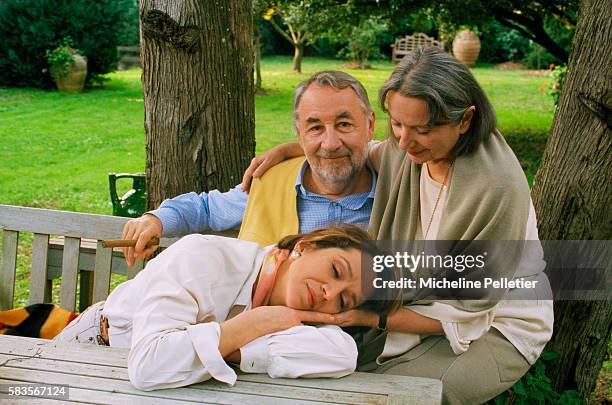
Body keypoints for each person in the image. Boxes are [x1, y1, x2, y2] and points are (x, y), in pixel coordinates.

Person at [241, 47, 553, 404]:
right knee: (332, 374)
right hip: (417, 305)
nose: (404, 142)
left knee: (403, 395)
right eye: (398, 125)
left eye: (421, 128)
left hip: (494, 321)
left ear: (464, 120)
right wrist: (288, 149)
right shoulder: (407, 153)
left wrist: (372, 319)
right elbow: (360, 148)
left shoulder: (494, 188)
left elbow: (472, 309)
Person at [53, 225, 400, 391]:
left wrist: (232, 349)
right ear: (307, 246)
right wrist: (257, 324)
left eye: (343, 300)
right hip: (95, 352)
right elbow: (148, 365)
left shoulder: (300, 315)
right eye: (337, 270)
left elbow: (341, 355)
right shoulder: (203, 257)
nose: (329, 292)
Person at [121, 70, 377, 266]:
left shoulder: (399, 191)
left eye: (344, 124)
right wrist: (155, 220)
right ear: (299, 134)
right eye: (315, 128)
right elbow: (205, 208)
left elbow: (414, 276)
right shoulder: (270, 183)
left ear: (370, 125)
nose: (330, 144)